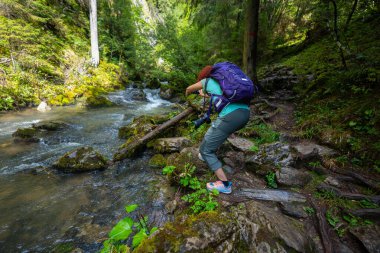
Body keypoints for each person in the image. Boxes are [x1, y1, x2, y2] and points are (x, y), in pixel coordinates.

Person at [185, 65, 250, 194]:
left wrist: (187, 96)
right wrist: (204, 93)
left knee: (205, 150)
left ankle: (225, 185)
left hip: (230, 116)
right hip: (245, 114)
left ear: (204, 75)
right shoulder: (226, 84)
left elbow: (188, 89)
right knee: (218, 132)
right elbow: (219, 96)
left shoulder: (207, 81)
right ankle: (209, 156)